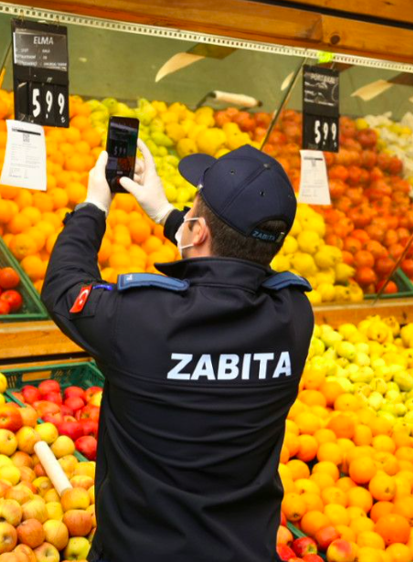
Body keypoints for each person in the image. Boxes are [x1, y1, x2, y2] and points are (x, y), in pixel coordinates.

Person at [41, 140, 314, 562]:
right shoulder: (293, 316)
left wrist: (94, 207)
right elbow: (242, 266)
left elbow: (65, 287)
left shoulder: (139, 318)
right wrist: (168, 216)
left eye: (192, 209)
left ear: (198, 231)